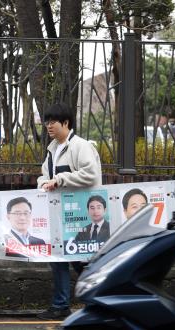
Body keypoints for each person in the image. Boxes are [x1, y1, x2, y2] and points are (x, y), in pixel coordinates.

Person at [36, 103, 102, 320]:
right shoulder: (52, 149)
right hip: (60, 215)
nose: (48, 126)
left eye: (53, 122)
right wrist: (43, 184)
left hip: (81, 216)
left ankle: (99, 301)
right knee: (60, 259)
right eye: (47, 122)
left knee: (82, 262)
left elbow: (91, 175)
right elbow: (45, 175)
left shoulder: (80, 146)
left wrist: (61, 179)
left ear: (66, 123)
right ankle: (63, 305)